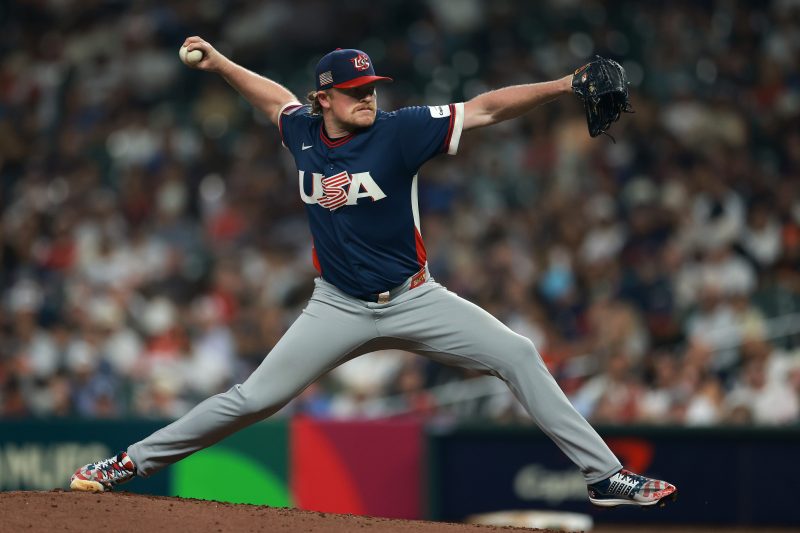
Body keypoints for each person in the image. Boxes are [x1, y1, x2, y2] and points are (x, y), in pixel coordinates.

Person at [70, 37, 677, 508]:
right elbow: (271, 98)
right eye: (354, 90)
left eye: (371, 88)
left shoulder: (401, 131)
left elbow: (485, 108)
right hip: (337, 305)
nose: (368, 98)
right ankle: (127, 464)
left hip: (416, 298)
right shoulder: (302, 132)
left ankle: (603, 475)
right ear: (323, 99)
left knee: (517, 354)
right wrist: (222, 63)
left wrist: (566, 84)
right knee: (251, 398)